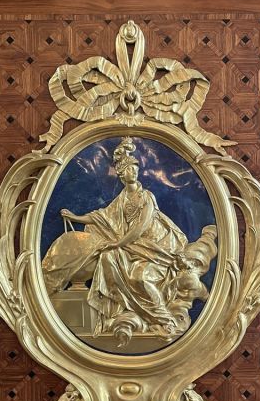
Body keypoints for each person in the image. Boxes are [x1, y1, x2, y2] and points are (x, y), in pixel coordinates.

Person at [43, 137, 217, 348]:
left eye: (134, 168)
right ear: (121, 174)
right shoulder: (123, 197)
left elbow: (140, 228)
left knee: (140, 276)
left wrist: (117, 244)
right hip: (131, 246)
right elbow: (102, 216)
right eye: (127, 170)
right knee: (107, 257)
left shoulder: (147, 197)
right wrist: (75, 218)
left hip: (156, 247)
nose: (132, 172)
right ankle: (118, 312)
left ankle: (164, 319)